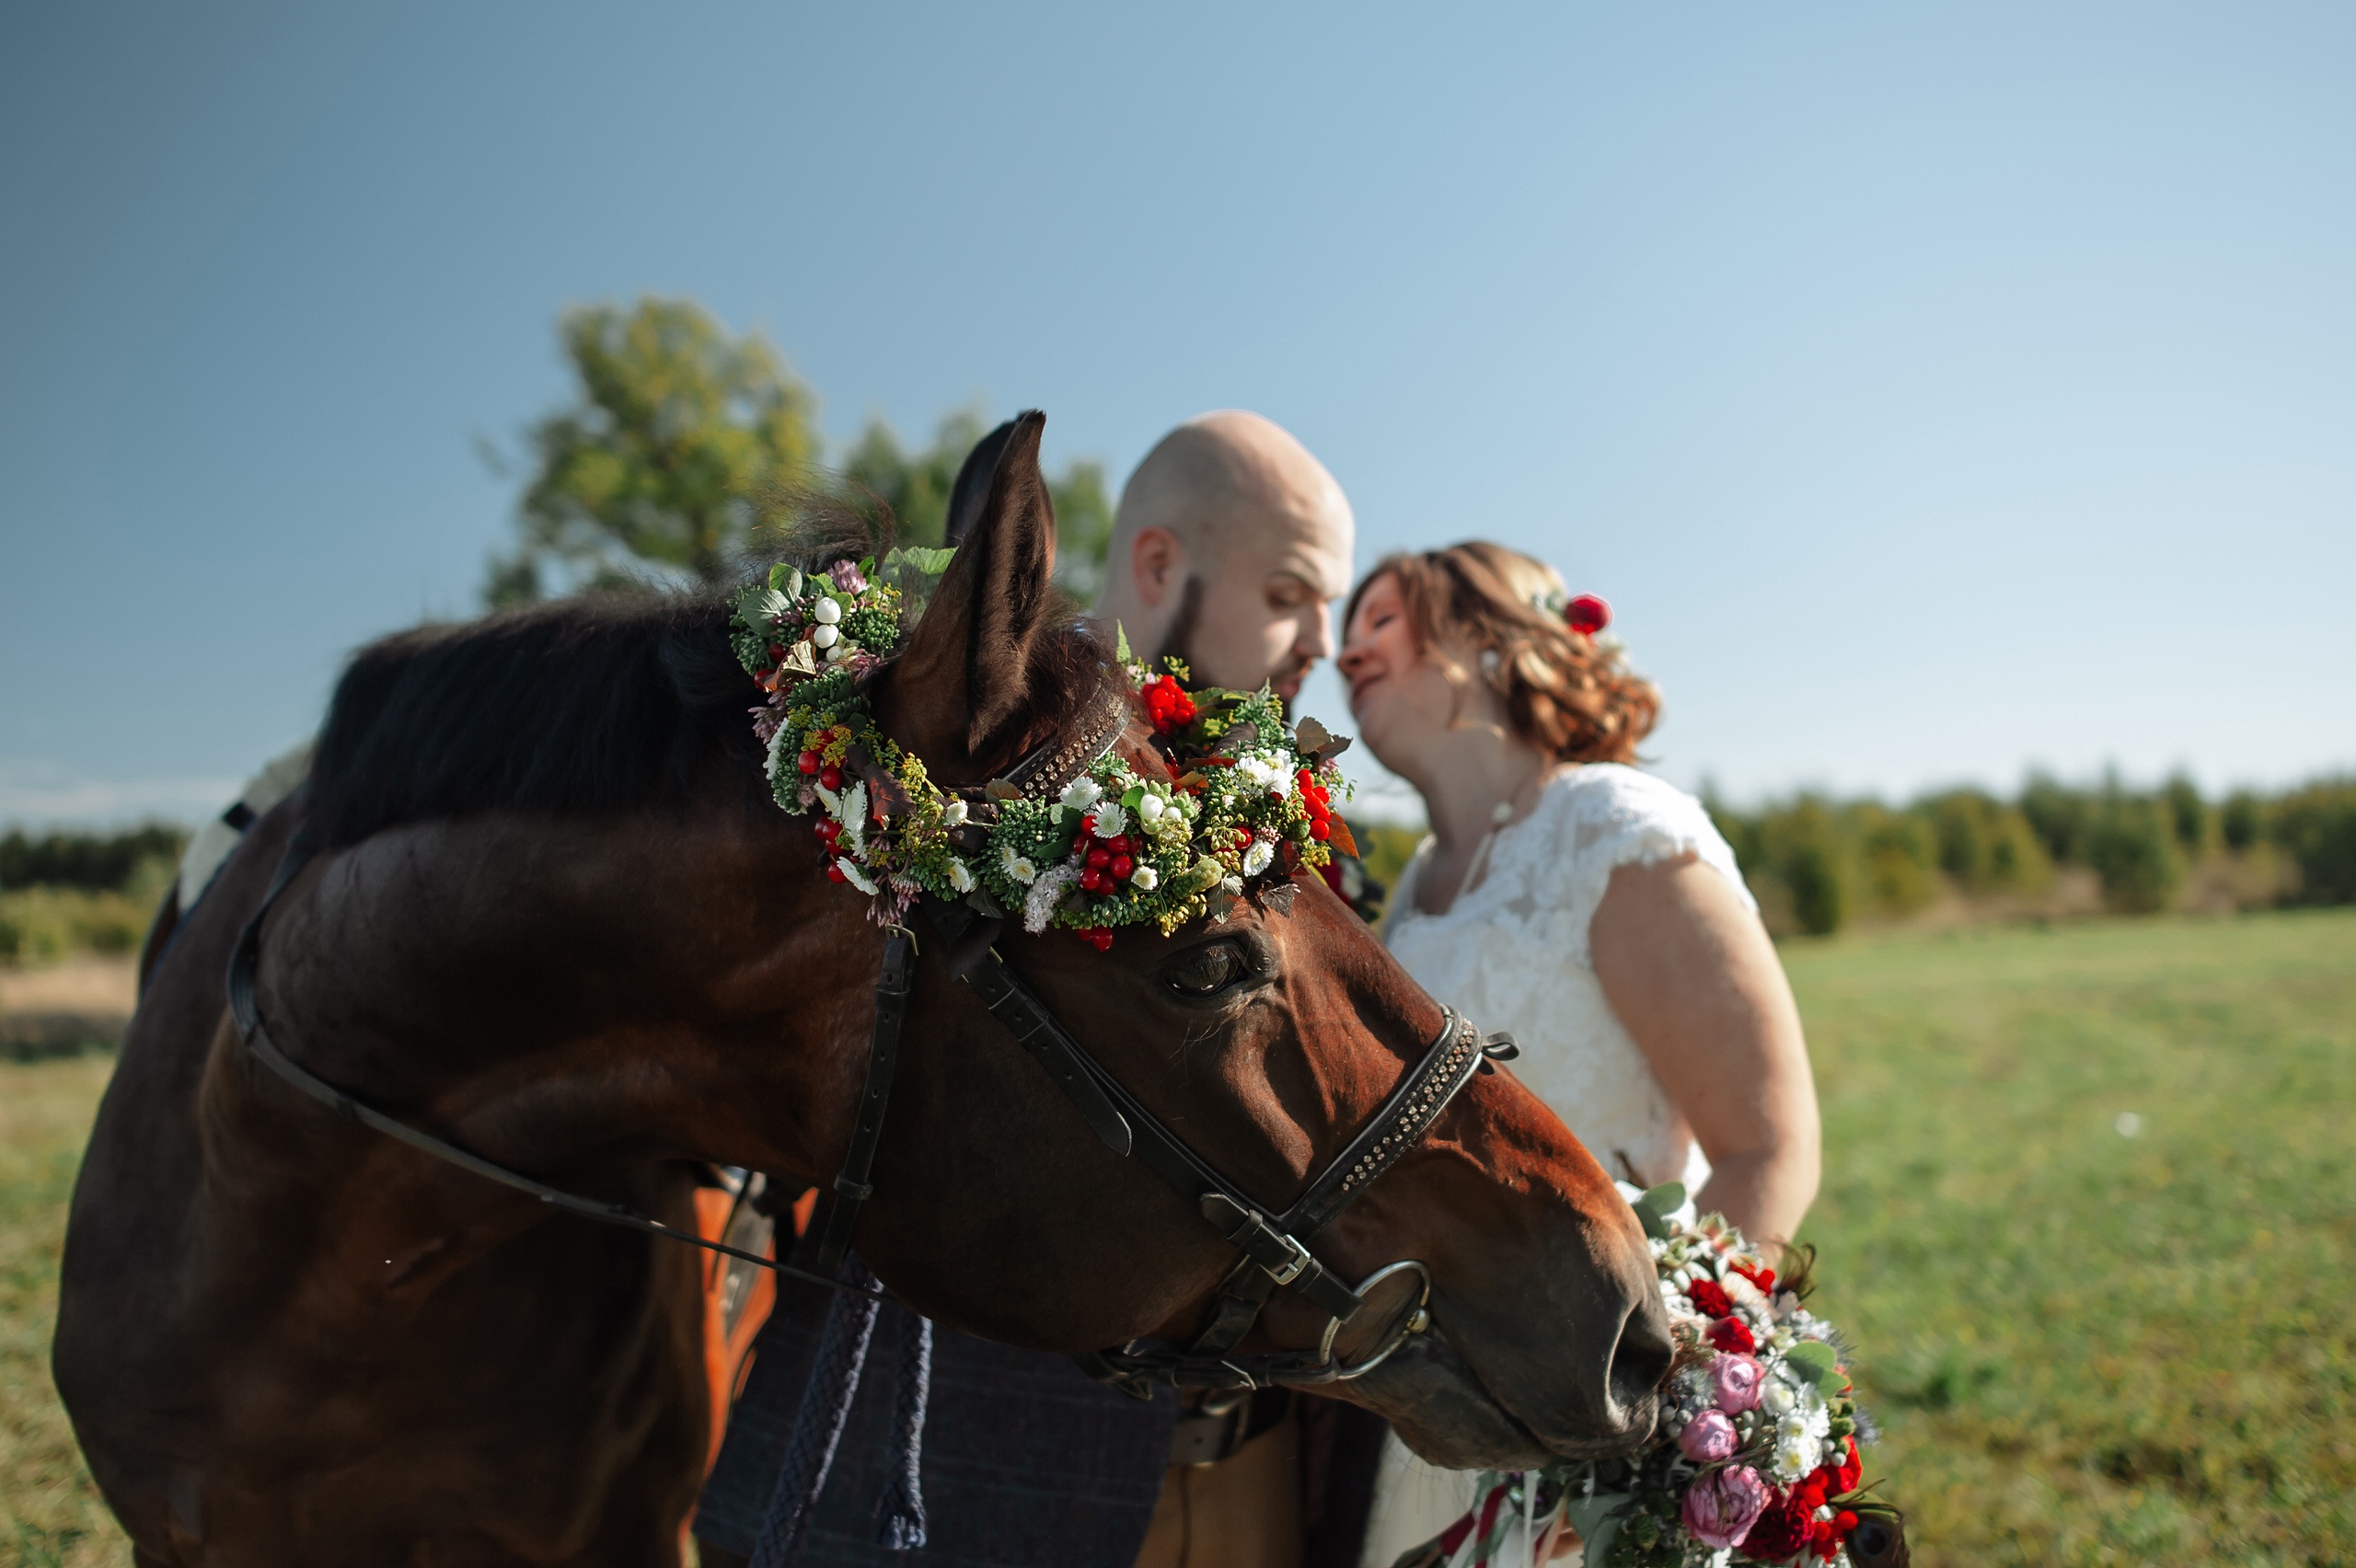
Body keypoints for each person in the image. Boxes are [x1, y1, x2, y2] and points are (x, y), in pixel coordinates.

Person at [695, 410, 1370, 1568]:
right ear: (1159, 562)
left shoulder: (1312, 827)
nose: (1326, 638)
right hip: (954, 1473)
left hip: (1250, 1487)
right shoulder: (918, 762)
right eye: (1294, 592)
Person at [1331, 542, 1820, 1566]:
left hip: (1599, 1421)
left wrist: (1660, 1430)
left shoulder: (1614, 829)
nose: (1346, 650)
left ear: (1486, 637)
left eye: (1380, 618)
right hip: (1435, 1425)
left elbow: (1766, 1148)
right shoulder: (1412, 887)